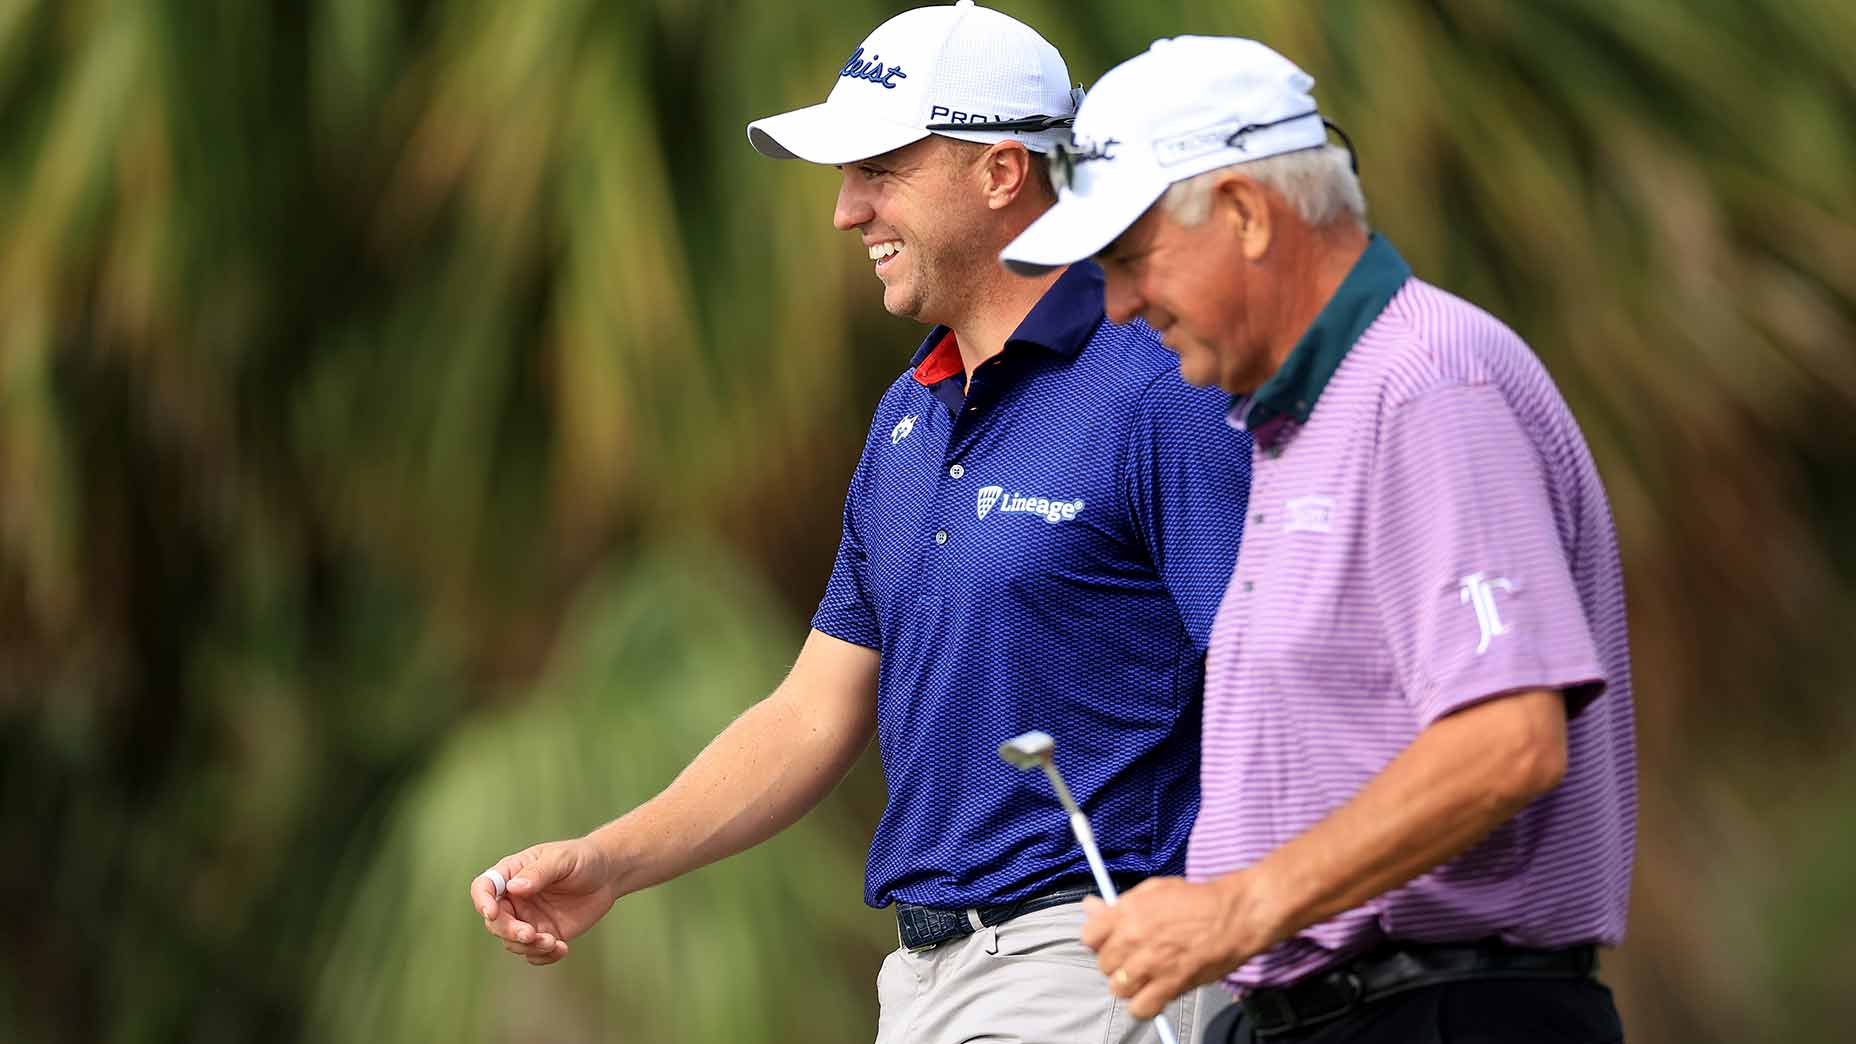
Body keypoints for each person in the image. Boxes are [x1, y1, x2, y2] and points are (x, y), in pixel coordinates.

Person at [468, 6, 1251, 1042]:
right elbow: (811, 711)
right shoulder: (906, 417)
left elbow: (1269, 679)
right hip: (923, 980)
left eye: (878, 170)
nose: (844, 212)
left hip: (1092, 960)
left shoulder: (1156, 386)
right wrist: (612, 862)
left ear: (1001, 172)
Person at [1000, 35, 1636, 1044]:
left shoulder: (1427, 385)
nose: (1117, 305)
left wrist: (1235, 909)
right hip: (1324, 1013)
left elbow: (1507, 741)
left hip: (1443, 1013)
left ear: (1247, 214)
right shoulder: (1302, 419)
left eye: (1129, 261)